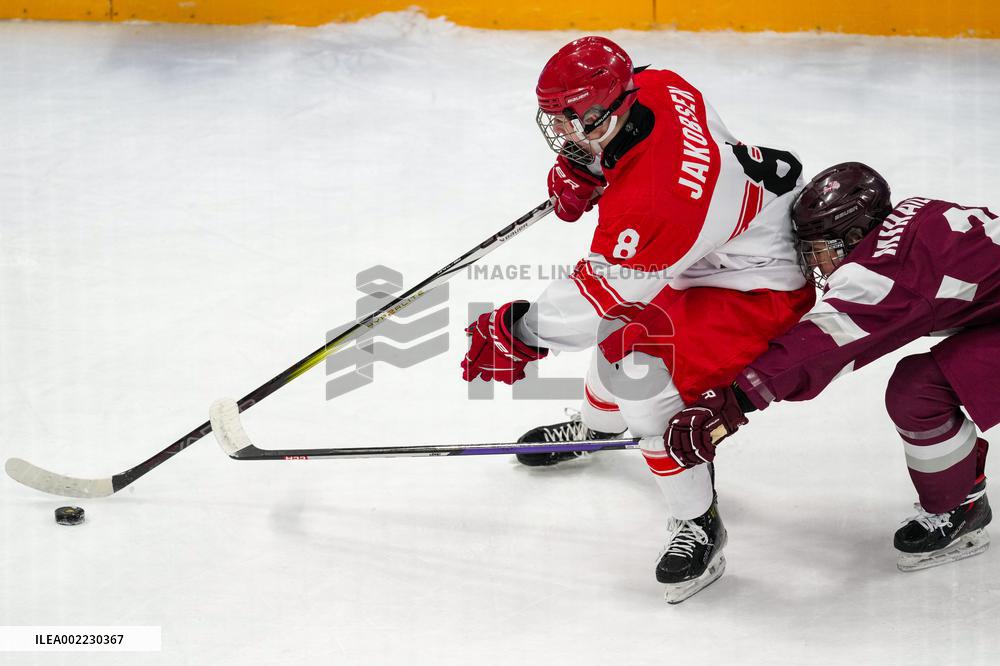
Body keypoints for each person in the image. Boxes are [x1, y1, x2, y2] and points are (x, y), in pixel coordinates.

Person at [461, 35, 815, 602]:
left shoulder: (661, 199)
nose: (568, 134)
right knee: (620, 343)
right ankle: (597, 434)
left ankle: (699, 523)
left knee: (644, 379)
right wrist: (597, 168)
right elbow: (640, 154)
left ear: (617, 104)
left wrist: (518, 331)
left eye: (582, 124)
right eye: (561, 122)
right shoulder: (655, 84)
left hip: (756, 281)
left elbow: (597, 298)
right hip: (709, 247)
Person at [655, 162, 998, 572]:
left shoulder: (891, 272)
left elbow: (820, 347)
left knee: (919, 391)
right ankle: (963, 498)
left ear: (853, 236)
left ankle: (960, 506)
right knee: (920, 385)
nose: (814, 263)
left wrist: (735, 400)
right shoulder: (916, 213)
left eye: (818, 247)